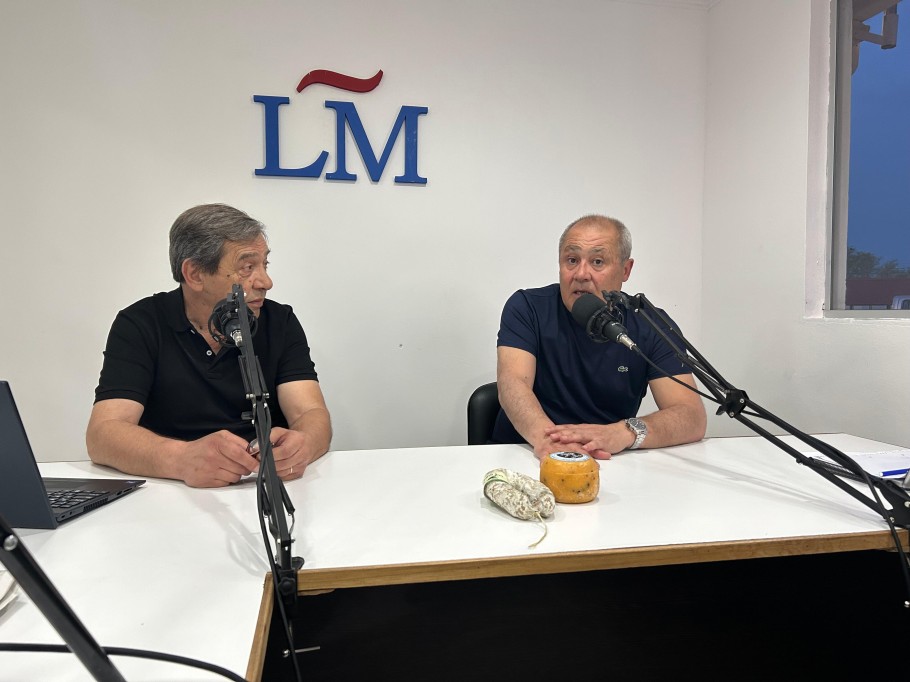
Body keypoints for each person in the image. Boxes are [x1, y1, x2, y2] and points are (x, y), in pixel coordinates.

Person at [86, 204, 331, 487]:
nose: (266, 282)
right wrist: (181, 458)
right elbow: (103, 434)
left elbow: (310, 414)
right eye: (247, 267)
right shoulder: (140, 324)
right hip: (172, 489)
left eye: (265, 265)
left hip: (262, 484)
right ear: (195, 274)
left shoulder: (279, 321)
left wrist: (303, 445)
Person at [492, 214, 706, 460]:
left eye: (597, 262)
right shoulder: (528, 307)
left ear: (625, 270)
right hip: (527, 453)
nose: (581, 274)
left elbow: (691, 416)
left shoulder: (651, 325)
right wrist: (550, 441)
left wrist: (624, 433)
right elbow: (513, 384)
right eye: (572, 260)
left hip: (608, 459)